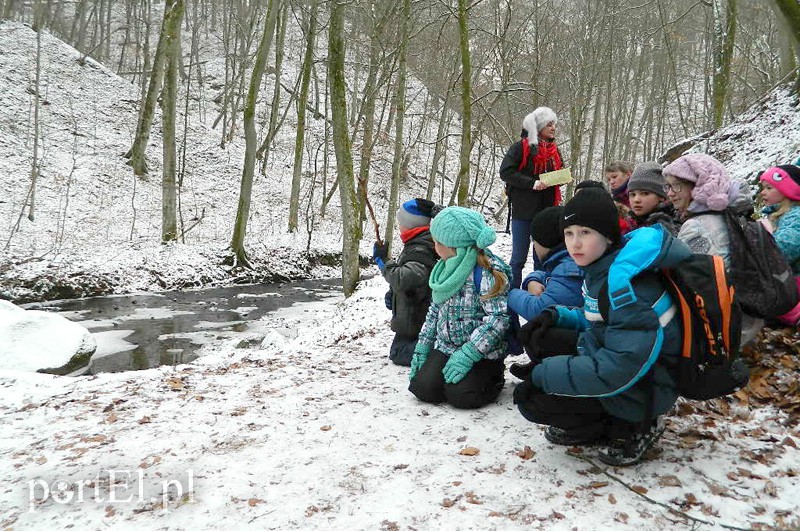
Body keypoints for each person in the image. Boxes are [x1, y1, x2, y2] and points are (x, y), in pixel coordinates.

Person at [513, 188, 690, 466]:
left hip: (649, 382)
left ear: (607, 235)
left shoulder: (627, 287)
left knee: (537, 399)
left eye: (585, 232)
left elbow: (619, 367)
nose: (575, 243)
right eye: (569, 233)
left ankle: (637, 425)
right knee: (544, 335)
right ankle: (597, 423)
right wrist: (556, 315)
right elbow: (600, 319)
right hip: (633, 364)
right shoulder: (605, 267)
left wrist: (544, 375)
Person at [408, 207, 511, 409]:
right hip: (446, 346)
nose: (434, 244)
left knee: (461, 396)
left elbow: (498, 319)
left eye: (437, 241)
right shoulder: (444, 268)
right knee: (423, 389)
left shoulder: (488, 271)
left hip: (480, 351)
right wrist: (422, 348)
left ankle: (494, 377)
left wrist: (468, 353)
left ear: (452, 245)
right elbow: (434, 312)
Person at [662, 153, 763, 343]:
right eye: (667, 186)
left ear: (698, 187)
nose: (669, 193)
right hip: (747, 320)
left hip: (722, 332)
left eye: (676, 186)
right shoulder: (730, 215)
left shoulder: (699, 226)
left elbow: (690, 283)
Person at [506, 206, 584, 380]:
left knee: (535, 332)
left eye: (535, 241)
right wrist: (532, 280)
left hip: (584, 340)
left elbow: (540, 308)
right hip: (580, 333)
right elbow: (548, 276)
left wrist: (510, 294)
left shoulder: (569, 267)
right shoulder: (565, 260)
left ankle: (550, 373)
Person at [499, 107, 564, 288]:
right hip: (523, 211)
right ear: (539, 126)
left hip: (547, 213)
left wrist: (560, 177)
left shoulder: (554, 151)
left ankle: (538, 305)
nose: (553, 128)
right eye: (549, 124)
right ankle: (511, 304)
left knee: (541, 260)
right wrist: (532, 183)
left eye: (554, 124)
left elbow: (560, 172)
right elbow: (506, 172)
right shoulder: (520, 147)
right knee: (517, 260)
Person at [373, 199, 441, 366]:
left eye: (401, 223)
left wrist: (382, 261)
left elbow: (403, 278)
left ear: (411, 225)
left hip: (419, 318)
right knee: (397, 350)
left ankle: (437, 352)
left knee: (398, 353)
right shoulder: (418, 242)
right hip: (415, 316)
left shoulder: (421, 247)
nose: (399, 227)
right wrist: (393, 296)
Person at [758, 164, 800, 325]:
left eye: (769, 188)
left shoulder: (796, 216)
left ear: (788, 190)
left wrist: (762, 238)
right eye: (763, 188)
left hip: (794, 280)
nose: (762, 192)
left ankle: (792, 312)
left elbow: (783, 250)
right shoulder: (778, 215)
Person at [626, 161, 679, 235]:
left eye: (645, 193)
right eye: (632, 194)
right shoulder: (628, 225)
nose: (636, 200)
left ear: (661, 197)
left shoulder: (667, 229)